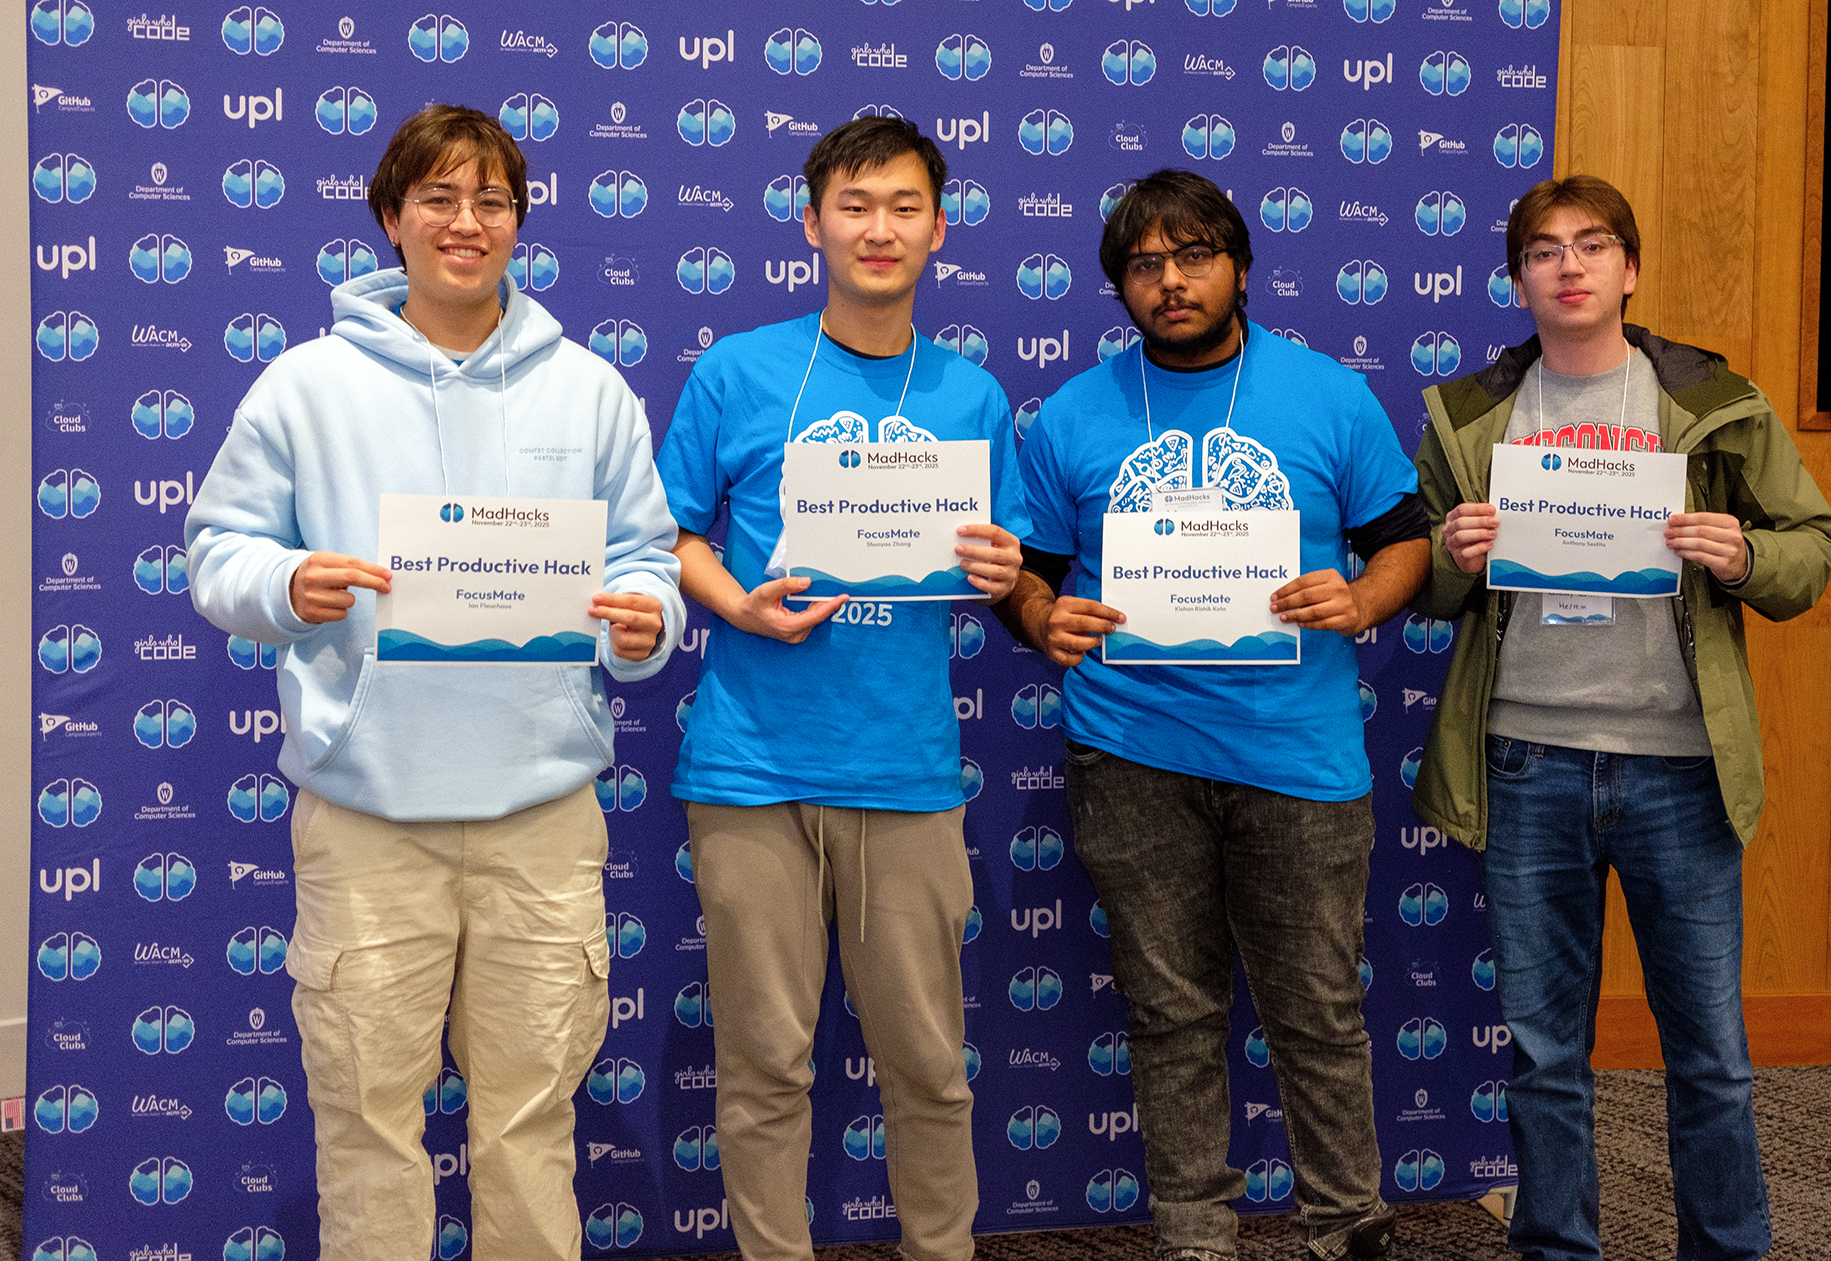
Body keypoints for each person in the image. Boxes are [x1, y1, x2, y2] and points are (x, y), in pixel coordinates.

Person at [184, 104, 684, 1261]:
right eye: (439, 199)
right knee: (367, 1122)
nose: (467, 223)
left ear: (518, 222)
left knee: (528, 1119)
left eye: (491, 201)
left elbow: (643, 559)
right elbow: (217, 553)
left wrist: (642, 617)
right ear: (391, 218)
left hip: (540, 818)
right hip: (369, 819)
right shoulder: (304, 386)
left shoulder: (588, 389)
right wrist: (287, 581)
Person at [995, 168, 1429, 1261]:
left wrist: (1362, 599)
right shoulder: (1074, 414)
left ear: (1239, 265)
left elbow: (1404, 540)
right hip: (1130, 752)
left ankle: (1346, 1223)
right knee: (1170, 1010)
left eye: (1193, 256)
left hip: (1297, 754)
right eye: (1145, 265)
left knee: (1316, 1010)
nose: (1171, 281)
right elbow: (1024, 570)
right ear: (1119, 287)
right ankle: (1195, 1234)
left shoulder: (1328, 395)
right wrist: (1041, 615)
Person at [1408, 175, 1831, 1261]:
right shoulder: (1470, 417)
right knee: (1544, 1055)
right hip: (1525, 762)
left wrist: (1745, 554)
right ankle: (1557, 1247)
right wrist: (1452, 556)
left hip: (1676, 768)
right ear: (1517, 281)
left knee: (1710, 1055)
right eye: (1543, 250)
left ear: (1629, 269)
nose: (1569, 265)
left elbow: (1811, 548)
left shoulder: (1711, 402)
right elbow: (1430, 589)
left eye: (1592, 244)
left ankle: (1726, 1248)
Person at [653, 116, 1027, 1261]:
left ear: (938, 229)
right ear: (809, 222)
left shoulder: (972, 396)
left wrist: (1003, 571)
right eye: (854, 206)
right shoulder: (736, 370)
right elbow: (669, 534)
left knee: (929, 1066)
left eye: (904, 206)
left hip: (904, 770)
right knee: (764, 1065)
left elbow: (1002, 560)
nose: (878, 228)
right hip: (751, 767)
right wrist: (736, 603)